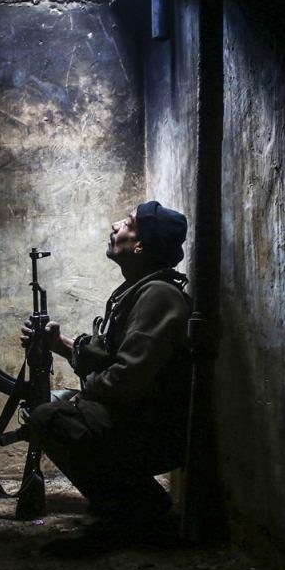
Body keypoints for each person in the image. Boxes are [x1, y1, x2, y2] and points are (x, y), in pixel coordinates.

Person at [22, 201, 192, 534]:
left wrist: (83, 395)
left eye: (128, 223)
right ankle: (127, 500)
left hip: (157, 431)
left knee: (49, 418)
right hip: (141, 417)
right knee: (53, 403)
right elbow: (107, 356)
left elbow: (123, 380)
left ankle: (140, 508)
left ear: (140, 245)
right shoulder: (139, 291)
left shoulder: (159, 296)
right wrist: (57, 343)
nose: (116, 225)